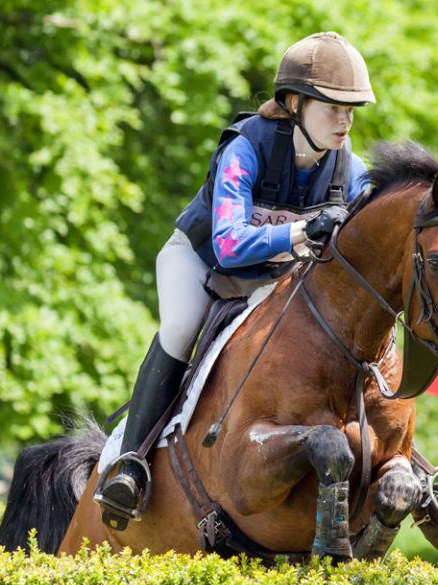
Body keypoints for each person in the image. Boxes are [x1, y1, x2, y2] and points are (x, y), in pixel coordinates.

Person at [97, 32, 376, 530]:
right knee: (180, 327)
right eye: (333, 107)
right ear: (295, 103)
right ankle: (130, 465)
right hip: (202, 265)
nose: (345, 121)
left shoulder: (348, 168)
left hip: (270, 280)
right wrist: (301, 230)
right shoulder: (247, 147)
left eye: (350, 110)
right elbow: (227, 244)